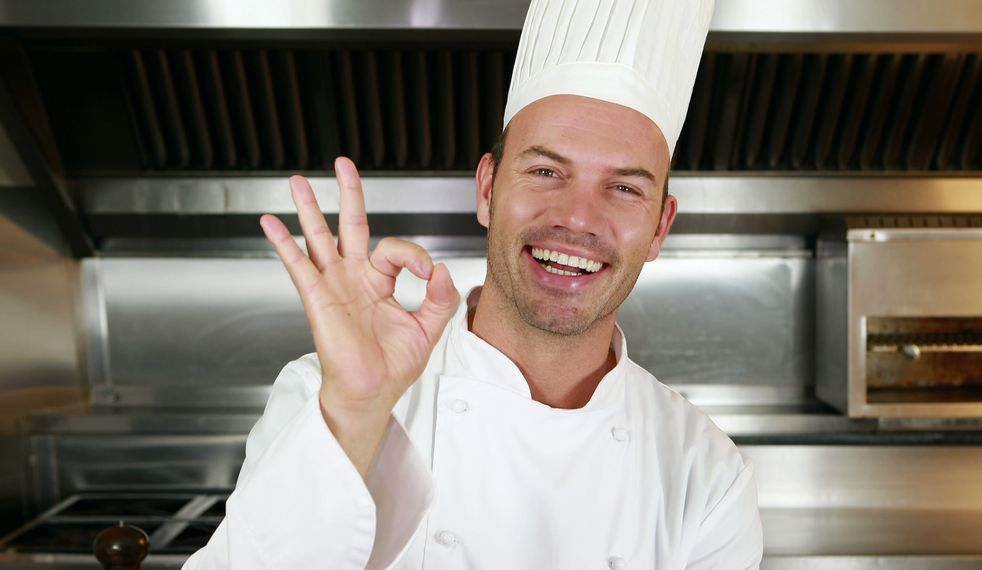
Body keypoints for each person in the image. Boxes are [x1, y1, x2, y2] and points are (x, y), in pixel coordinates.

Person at [185, 0, 762, 568]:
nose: (578, 218)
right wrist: (355, 415)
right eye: (545, 171)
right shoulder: (327, 396)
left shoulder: (704, 475)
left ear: (660, 227)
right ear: (487, 188)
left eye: (625, 188)